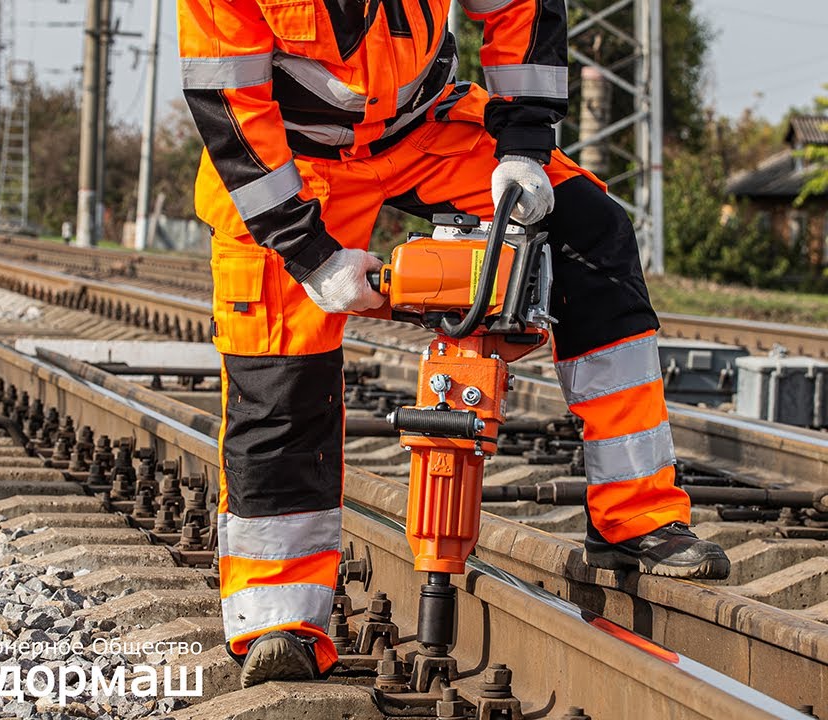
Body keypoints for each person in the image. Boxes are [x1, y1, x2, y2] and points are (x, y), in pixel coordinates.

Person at [177, 0, 731, 687]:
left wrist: (525, 149)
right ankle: (278, 619)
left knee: (590, 232)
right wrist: (312, 254)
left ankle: (637, 519)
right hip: (289, 158)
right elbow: (228, 100)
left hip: (425, 128)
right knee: (277, 371)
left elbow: (521, 9)